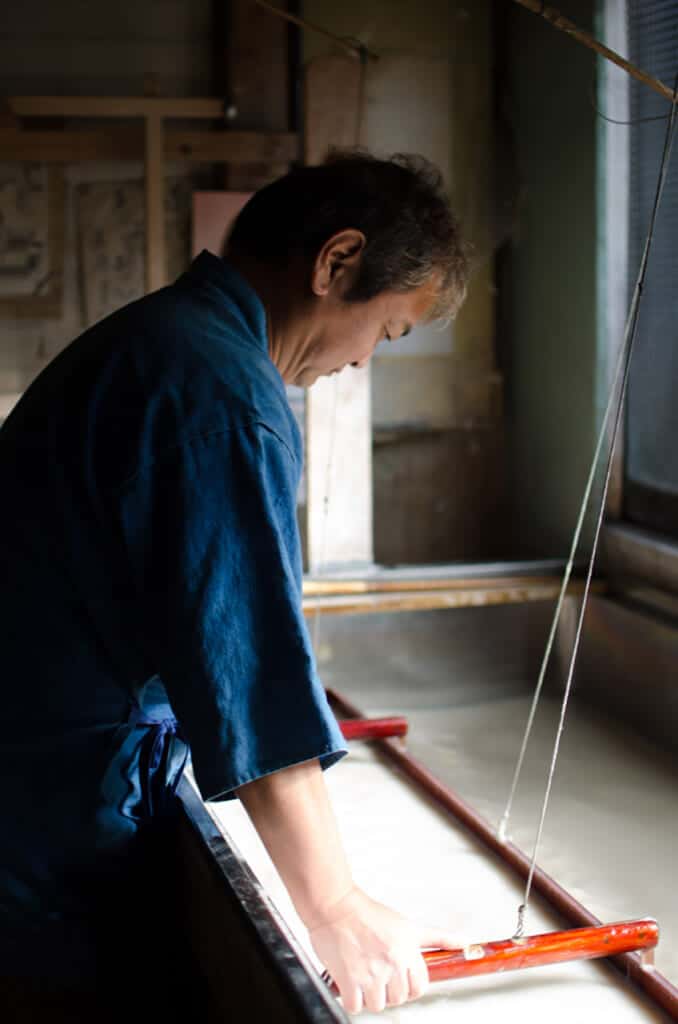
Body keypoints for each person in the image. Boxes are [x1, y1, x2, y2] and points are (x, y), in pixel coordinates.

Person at [0, 150, 469, 1018]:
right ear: (336, 262)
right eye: (387, 331)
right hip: (36, 807)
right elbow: (244, 665)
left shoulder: (161, 338)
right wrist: (334, 907)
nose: (365, 362)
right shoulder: (219, 395)